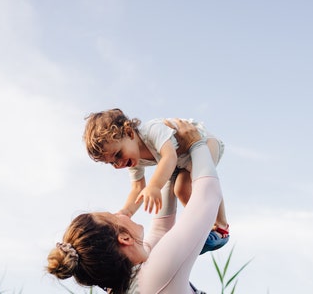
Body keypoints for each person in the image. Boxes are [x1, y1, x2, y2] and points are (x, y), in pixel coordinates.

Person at [47, 119, 222, 293]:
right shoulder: (156, 275)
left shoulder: (130, 281)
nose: (123, 213)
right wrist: (196, 144)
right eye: (115, 216)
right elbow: (207, 198)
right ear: (124, 239)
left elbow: (161, 230)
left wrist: (171, 170)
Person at [82, 108, 229, 253]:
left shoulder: (152, 130)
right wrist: (126, 212)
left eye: (118, 155)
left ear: (129, 133)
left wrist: (154, 186)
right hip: (184, 158)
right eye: (112, 163)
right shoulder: (134, 160)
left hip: (203, 141)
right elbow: (137, 187)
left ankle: (221, 226)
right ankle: (204, 227)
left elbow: (169, 157)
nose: (118, 164)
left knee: (194, 184)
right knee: (180, 189)